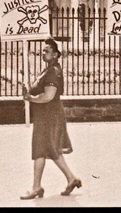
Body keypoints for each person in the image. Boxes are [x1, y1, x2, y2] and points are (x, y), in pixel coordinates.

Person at [20, 37, 81, 199]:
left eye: (47, 51)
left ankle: (36, 187)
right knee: (48, 149)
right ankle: (70, 178)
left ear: (55, 54)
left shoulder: (53, 71)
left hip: (49, 115)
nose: (43, 53)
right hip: (45, 115)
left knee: (43, 148)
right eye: (42, 51)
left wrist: (30, 98)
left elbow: (48, 96)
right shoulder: (48, 69)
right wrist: (29, 90)